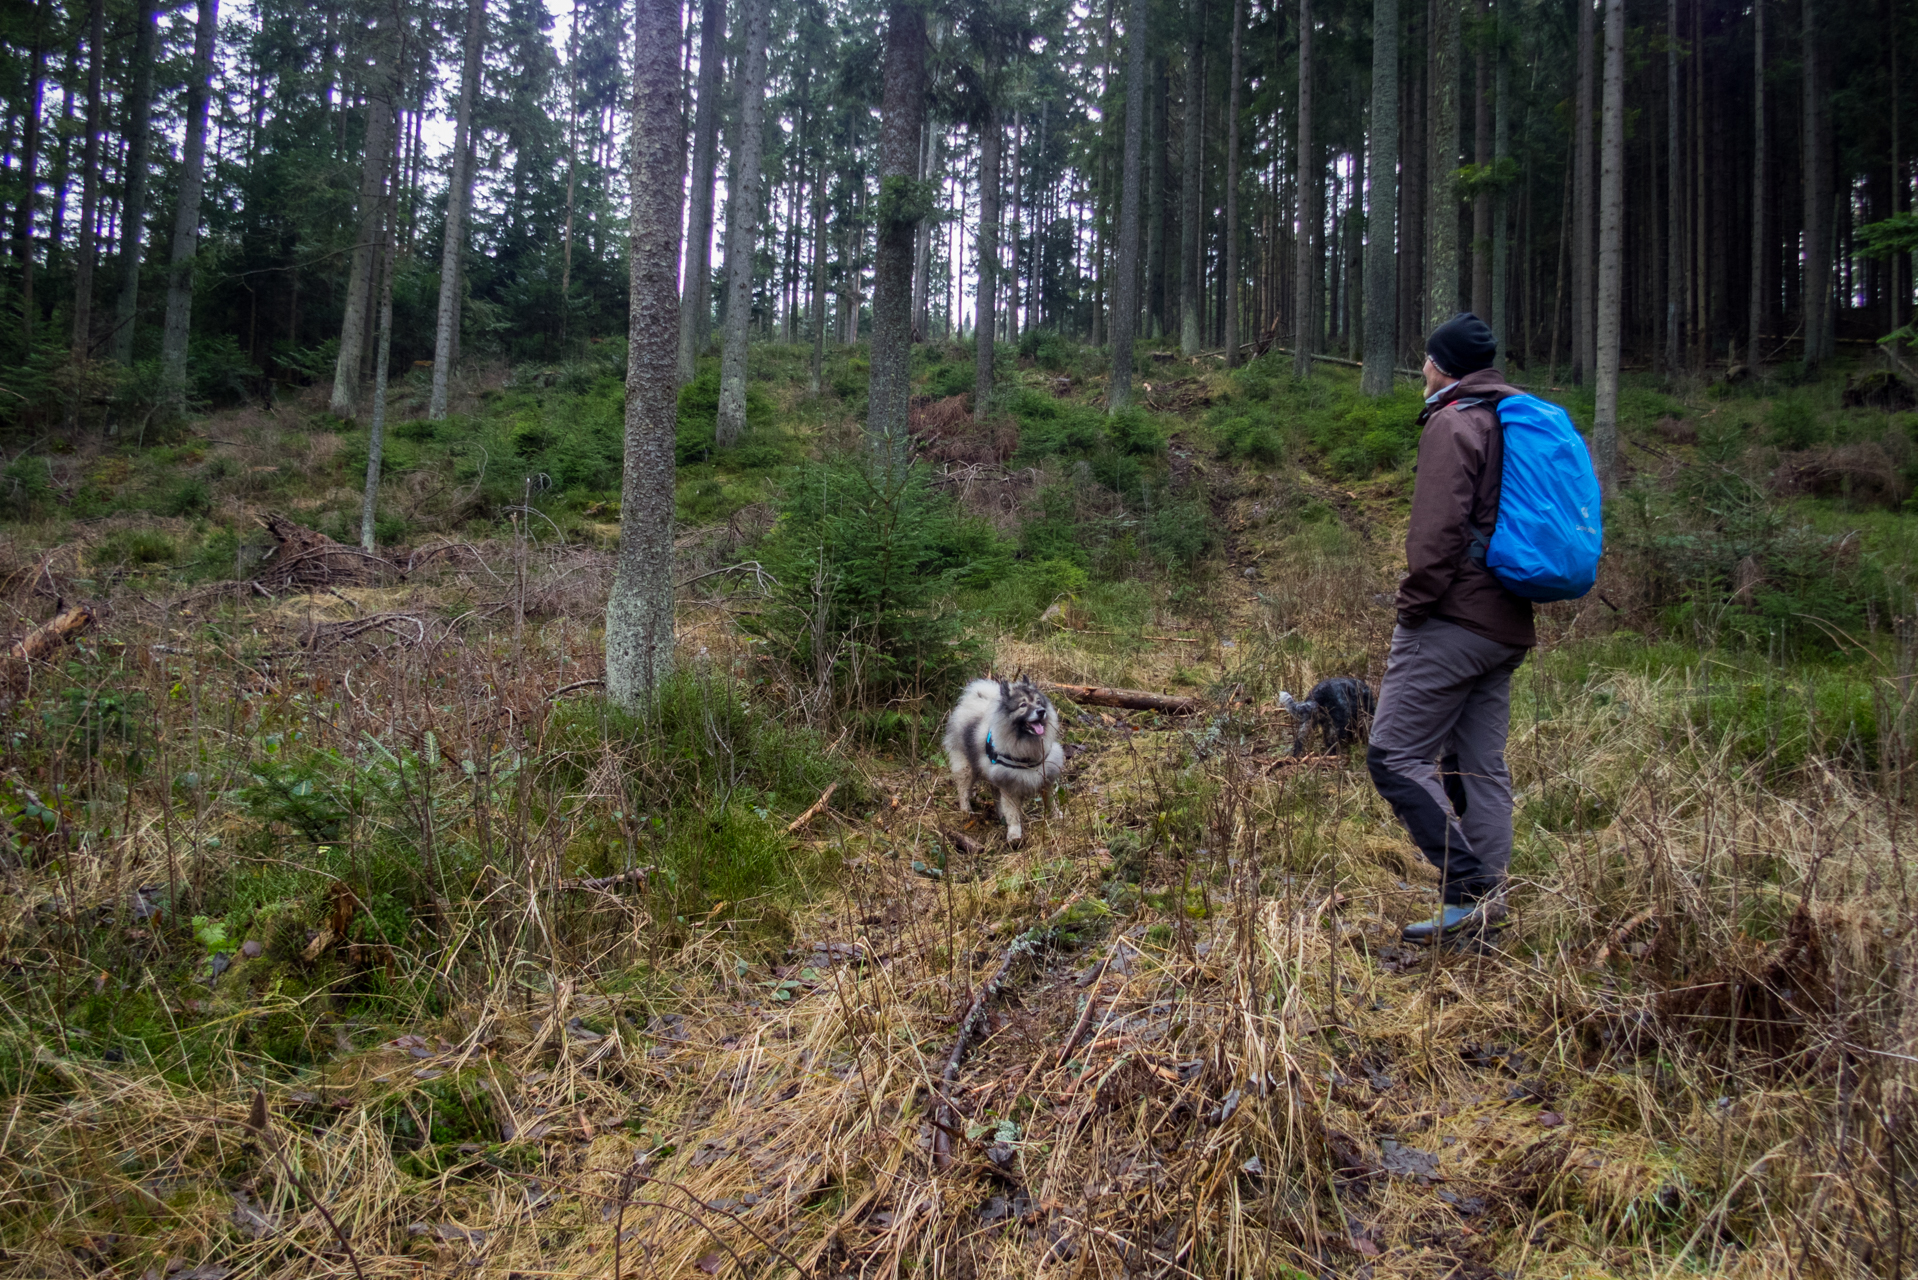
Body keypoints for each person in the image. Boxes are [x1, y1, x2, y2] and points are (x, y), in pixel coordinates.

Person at [1367, 313, 1534, 945]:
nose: (1423, 370)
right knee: (1476, 767)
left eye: (1428, 360)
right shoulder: (1507, 417)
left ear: (1442, 365)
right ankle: (1485, 913)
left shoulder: (1453, 420)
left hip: (1453, 620)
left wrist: (1414, 605)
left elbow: (1436, 533)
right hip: (1506, 624)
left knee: (1393, 757)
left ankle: (1471, 890)